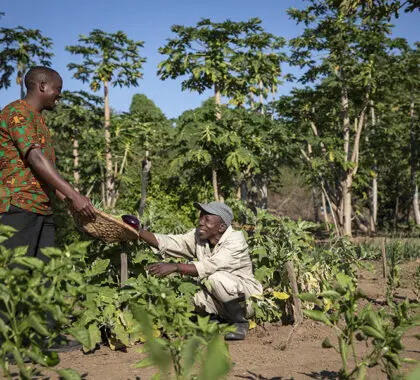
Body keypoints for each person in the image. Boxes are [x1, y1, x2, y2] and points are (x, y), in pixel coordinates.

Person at [0, 66, 95, 261]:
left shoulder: (39, 121)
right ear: (42, 86)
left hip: (42, 210)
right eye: (57, 89)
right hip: (18, 208)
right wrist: (73, 195)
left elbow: (46, 174)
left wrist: (72, 203)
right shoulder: (17, 112)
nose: (59, 95)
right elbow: (35, 158)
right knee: (16, 278)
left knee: (43, 282)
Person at [140, 201, 263, 341]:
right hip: (220, 300)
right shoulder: (199, 236)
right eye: (200, 217)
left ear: (222, 227)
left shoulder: (236, 241)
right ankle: (216, 320)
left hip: (246, 301)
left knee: (215, 278)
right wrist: (138, 232)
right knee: (190, 292)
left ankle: (239, 323)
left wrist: (176, 267)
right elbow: (172, 242)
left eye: (207, 219)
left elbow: (208, 267)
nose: (201, 222)